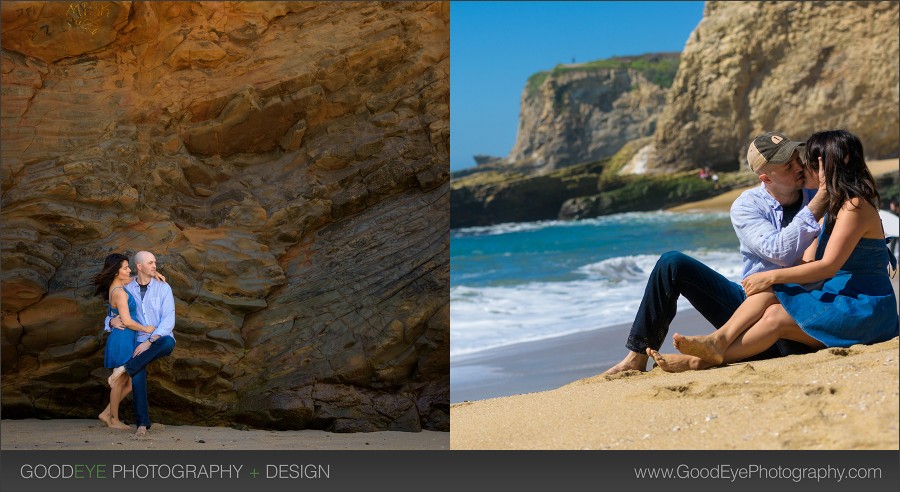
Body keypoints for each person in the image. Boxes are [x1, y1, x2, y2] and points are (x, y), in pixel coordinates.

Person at [648, 130, 899, 371]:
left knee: (775, 312)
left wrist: (770, 276)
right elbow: (806, 260)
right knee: (774, 292)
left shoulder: (853, 206)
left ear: (828, 167)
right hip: (842, 298)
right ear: (765, 177)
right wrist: (774, 280)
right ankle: (717, 341)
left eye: (807, 161)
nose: (802, 167)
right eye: (793, 164)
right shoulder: (830, 207)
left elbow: (828, 267)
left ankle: (700, 360)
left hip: (863, 307)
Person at [604, 131, 829, 375]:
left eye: (798, 158)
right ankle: (636, 357)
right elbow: (780, 252)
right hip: (748, 309)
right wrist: (819, 203)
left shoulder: (817, 195)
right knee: (672, 263)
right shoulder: (748, 206)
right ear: (766, 177)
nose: (799, 166)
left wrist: (821, 196)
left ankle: (720, 346)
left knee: (777, 287)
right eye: (788, 165)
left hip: (798, 312)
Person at [107, 250, 176, 437]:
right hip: (136, 340)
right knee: (138, 375)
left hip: (158, 338)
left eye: (155, 262)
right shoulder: (126, 287)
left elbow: (168, 321)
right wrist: (110, 322)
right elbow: (113, 310)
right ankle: (142, 424)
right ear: (139, 266)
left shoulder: (163, 287)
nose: (155, 266)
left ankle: (125, 368)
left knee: (168, 343)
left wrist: (150, 340)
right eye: (151, 263)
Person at [91, 254, 156, 430]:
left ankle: (106, 414)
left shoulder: (119, 285)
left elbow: (135, 278)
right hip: (123, 338)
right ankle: (113, 419)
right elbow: (126, 321)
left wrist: (153, 275)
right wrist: (146, 329)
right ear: (116, 272)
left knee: (128, 382)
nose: (129, 270)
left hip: (126, 337)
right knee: (121, 381)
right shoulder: (119, 292)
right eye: (125, 267)